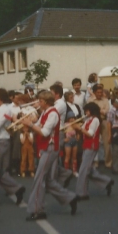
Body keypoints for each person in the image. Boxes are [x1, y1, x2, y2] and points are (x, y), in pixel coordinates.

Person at [23, 91, 79, 221]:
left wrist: (30, 124)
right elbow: (37, 126)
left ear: (46, 102)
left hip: (50, 148)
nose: (38, 103)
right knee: (47, 181)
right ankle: (70, 198)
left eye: (40, 101)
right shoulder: (45, 112)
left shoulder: (53, 113)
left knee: (39, 179)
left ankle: (37, 209)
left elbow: (44, 132)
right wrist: (27, 123)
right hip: (44, 148)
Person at [74, 102, 113, 200]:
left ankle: (82, 193)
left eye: (87, 110)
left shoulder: (95, 120)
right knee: (88, 169)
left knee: (83, 170)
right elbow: (82, 130)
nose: (86, 112)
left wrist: (78, 128)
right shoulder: (88, 120)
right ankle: (106, 181)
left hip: (91, 145)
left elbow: (90, 134)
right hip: (87, 145)